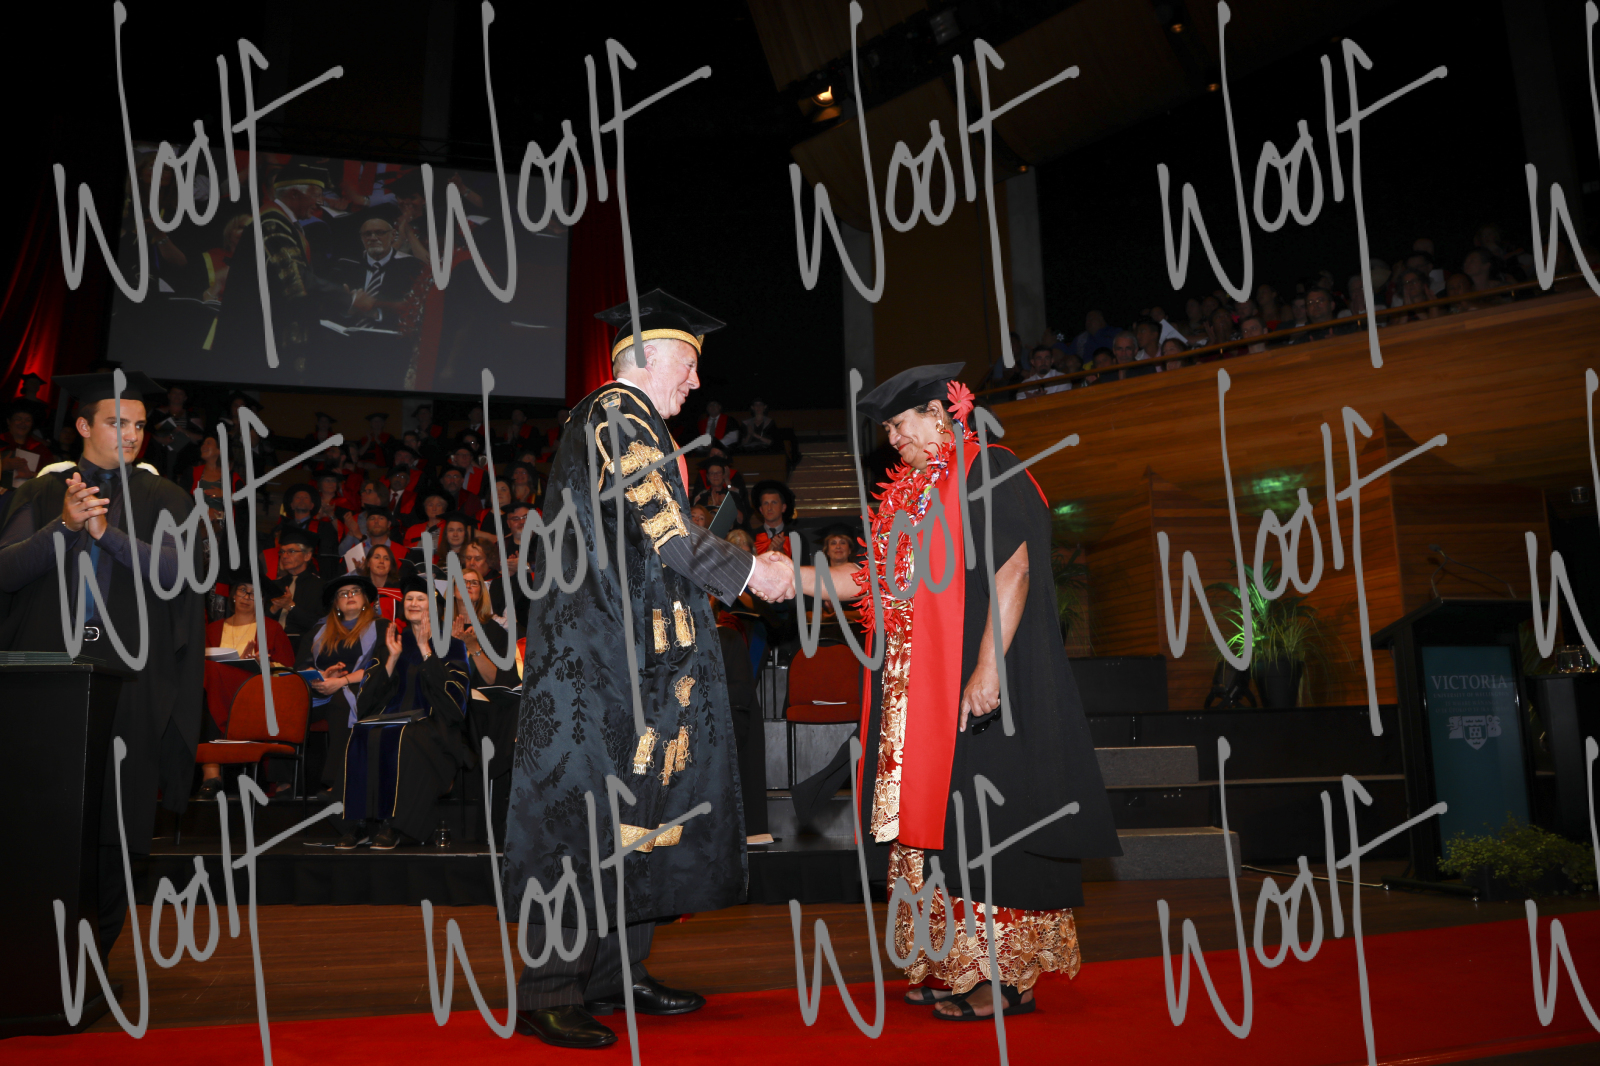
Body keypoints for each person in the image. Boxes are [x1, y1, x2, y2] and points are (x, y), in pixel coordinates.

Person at [502, 289, 795, 1049]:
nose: (695, 383)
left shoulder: (626, 422)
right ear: (647, 357)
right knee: (584, 822)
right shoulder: (617, 416)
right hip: (597, 667)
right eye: (688, 365)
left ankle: (614, 975)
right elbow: (665, 532)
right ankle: (549, 990)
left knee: (638, 818)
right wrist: (753, 572)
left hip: (632, 662)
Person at [796, 363, 1119, 1020]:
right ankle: (951, 963)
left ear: (940, 415)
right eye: (888, 430)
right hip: (917, 695)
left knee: (986, 826)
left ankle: (1005, 979)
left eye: (899, 424)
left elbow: (1014, 569)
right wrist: (781, 577)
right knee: (936, 831)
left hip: (976, 689)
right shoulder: (912, 497)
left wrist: (987, 669)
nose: (893, 440)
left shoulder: (988, 469)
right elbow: (870, 580)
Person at [0, 370, 204, 962]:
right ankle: (35, 952)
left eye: (139, 425)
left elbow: (178, 574)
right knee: (44, 810)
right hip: (49, 672)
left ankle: (94, 954)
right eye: (118, 423)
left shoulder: (164, 497)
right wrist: (64, 527)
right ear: (84, 425)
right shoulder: (43, 492)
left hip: (130, 677)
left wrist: (105, 533)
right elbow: (7, 573)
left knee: (119, 815)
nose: (133, 434)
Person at [340, 575, 473, 850]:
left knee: (406, 737)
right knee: (363, 733)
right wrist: (391, 658)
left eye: (420, 599)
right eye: (409, 598)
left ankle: (395, 825)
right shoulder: (392, 642)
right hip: (391, 720)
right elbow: (367, 700)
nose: (412, 603)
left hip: (434, 727)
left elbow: (455, 703)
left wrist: (425, 649)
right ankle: (361, 823)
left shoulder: (451, 644)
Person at [198, 579, 297, 797]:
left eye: (254, 594)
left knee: (210, 678)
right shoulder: (213, 629)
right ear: (233, 595)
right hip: (217, 691)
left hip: (256, 691)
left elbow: (288, 670)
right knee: (206, 678)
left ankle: (211, 772)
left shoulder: (271, 628)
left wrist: (262, 663)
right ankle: (211, 772)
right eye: (243, 590)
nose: (247, 597)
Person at [298, 572, 387, 801]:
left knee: (341, 702)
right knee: (289, 704)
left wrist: (341, 681)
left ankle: (336, 783)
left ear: (366, 599)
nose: (349, 596)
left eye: (355, 591)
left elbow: (381, 666)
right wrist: (323, 676)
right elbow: (302, 665)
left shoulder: (381, 626)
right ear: (336, 603)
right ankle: (287, 782)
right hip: (321, 687)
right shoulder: (319, 630)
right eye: (343, 594)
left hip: (362, 686)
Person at [268, 525, 327, 652]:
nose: (284, 556)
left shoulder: (320, 586)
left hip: (303, 647)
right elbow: (259, 621)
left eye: (291, 551)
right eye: (282, 552)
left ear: (307, 556)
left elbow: (320, 624)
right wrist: (274, 609)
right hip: (271, 643)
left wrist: (291, 606)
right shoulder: (275, 585)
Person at [750, 480, 806, 560]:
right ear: (761, 510)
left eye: (774, 502)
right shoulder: (750, 537)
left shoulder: (798, 538)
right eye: (766, 503)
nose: (769, 508)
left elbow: (802, 567)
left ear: (783, 508)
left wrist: (781, 552)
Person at [365, 542, 405, 619]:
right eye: (377, 557)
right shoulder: (361, 590)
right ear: (368, 563)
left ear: (391, 566)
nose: (381, 561)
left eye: (386, 558)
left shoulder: (400, 591)